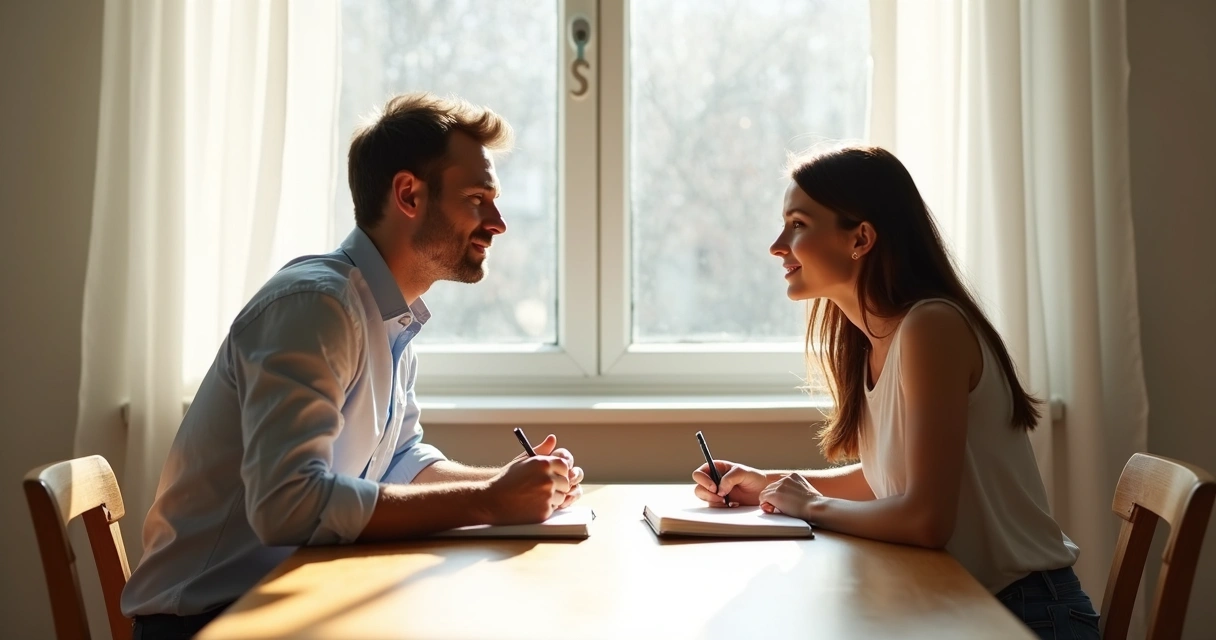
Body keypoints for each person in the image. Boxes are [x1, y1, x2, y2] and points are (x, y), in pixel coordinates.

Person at [122, 93, 584, 639]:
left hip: (283, 605)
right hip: (209, 621)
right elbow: (288, 504)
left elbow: (398, 462)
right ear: (408, 195)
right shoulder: (316, 307)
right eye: (477, 198)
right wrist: (488, 500)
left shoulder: (390, 315)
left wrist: (512, 484)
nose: (498, 222)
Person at [691, 146, 1099, 639]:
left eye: (798, 223)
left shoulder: (932, 327)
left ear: (860, 238)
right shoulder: (874, 340)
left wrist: (811, 505)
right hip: (959, 604)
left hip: (1025, 615)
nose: (778, 245)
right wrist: (774, 483)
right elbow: (890, 477)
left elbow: (927, 520)